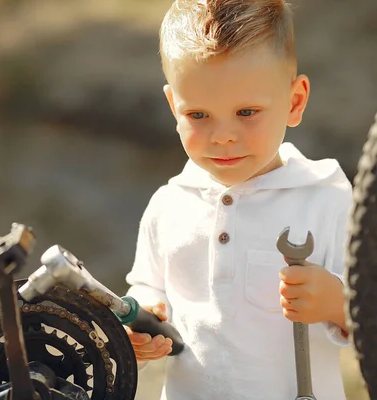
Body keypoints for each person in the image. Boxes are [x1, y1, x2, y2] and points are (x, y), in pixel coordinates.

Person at [124, 0, 354, 398]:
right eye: (198, 115)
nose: (223, 135)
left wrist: (339, 304)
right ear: (173, 107)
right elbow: (147, 292)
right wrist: (140, 330)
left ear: (295, 102)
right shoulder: (169, 204)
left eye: (246, 112)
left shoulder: (326, 200)